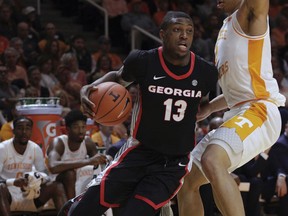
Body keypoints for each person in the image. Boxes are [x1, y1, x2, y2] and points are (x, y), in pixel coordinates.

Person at [60, 11, 218, 216]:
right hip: (138, 152)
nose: (184, 36)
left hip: (172, 164)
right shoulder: (143, 61)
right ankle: (80, 201)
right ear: (162, 34)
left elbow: (202, 104)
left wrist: (203, 113)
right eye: (177, 30)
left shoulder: (205, 72)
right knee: (80, 212)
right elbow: (117, 78)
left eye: (189, 31)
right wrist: (89, 87)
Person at [177, 1, 286, 216]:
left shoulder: (249, 16)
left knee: (212, 159)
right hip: (238, 110)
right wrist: (208, 109)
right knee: (187, 179)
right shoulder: (225, 28)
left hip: (260, 109)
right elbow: (235, 92)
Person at [0, 116, 67, 216]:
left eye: (27, 128)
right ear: (14, 131)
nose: (24, 132)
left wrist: (36, 179)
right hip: (7, 195)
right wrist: (13, 182)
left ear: (31, 131)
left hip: (29, 195)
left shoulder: (35, 148)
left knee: (57, 186)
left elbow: (45, 175)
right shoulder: (3, 148)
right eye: (20, 128)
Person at [46, 110, 107, 200]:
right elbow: (53, 167)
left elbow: (98, 166)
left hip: (80, 182)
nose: (81, 131)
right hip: (57, 184)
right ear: (67, 129)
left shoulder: (88, 142)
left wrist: (106, 159)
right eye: (76, 127)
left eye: (83, 127)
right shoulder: (59, 143)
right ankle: (72, 207)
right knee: (70, 174)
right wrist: (88, 161)